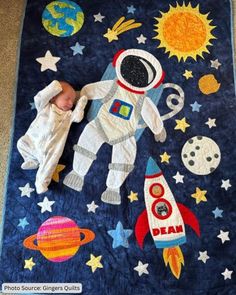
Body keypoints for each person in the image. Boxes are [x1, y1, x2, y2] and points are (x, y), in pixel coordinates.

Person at [17, 80, 87, 194]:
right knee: (21, 143)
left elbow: (78, 117)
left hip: (52, 148)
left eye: (73, 102)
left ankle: (41, 183)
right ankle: (31, 160)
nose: (70, 103)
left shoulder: (68, 115)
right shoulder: (45, 106)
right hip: (34, 141)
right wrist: (55, 86)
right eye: (67, 98)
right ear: (54, 97)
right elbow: (39, 97)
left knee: (49, 165)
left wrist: (80, 105)